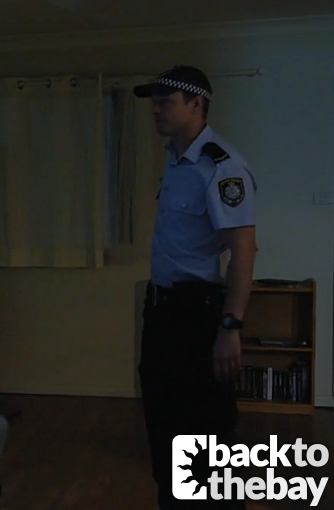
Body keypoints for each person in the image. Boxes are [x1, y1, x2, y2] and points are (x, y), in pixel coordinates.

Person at [133, 66, 257, 509]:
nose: (156, 110)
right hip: (162, 312)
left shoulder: (221, 166)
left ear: (197, 104)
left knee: (208, 441)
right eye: (154, 102)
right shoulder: (174, 159)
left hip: (198, 316)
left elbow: (243, 251)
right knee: (165, 432)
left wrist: (230, 326)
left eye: (166, 101)